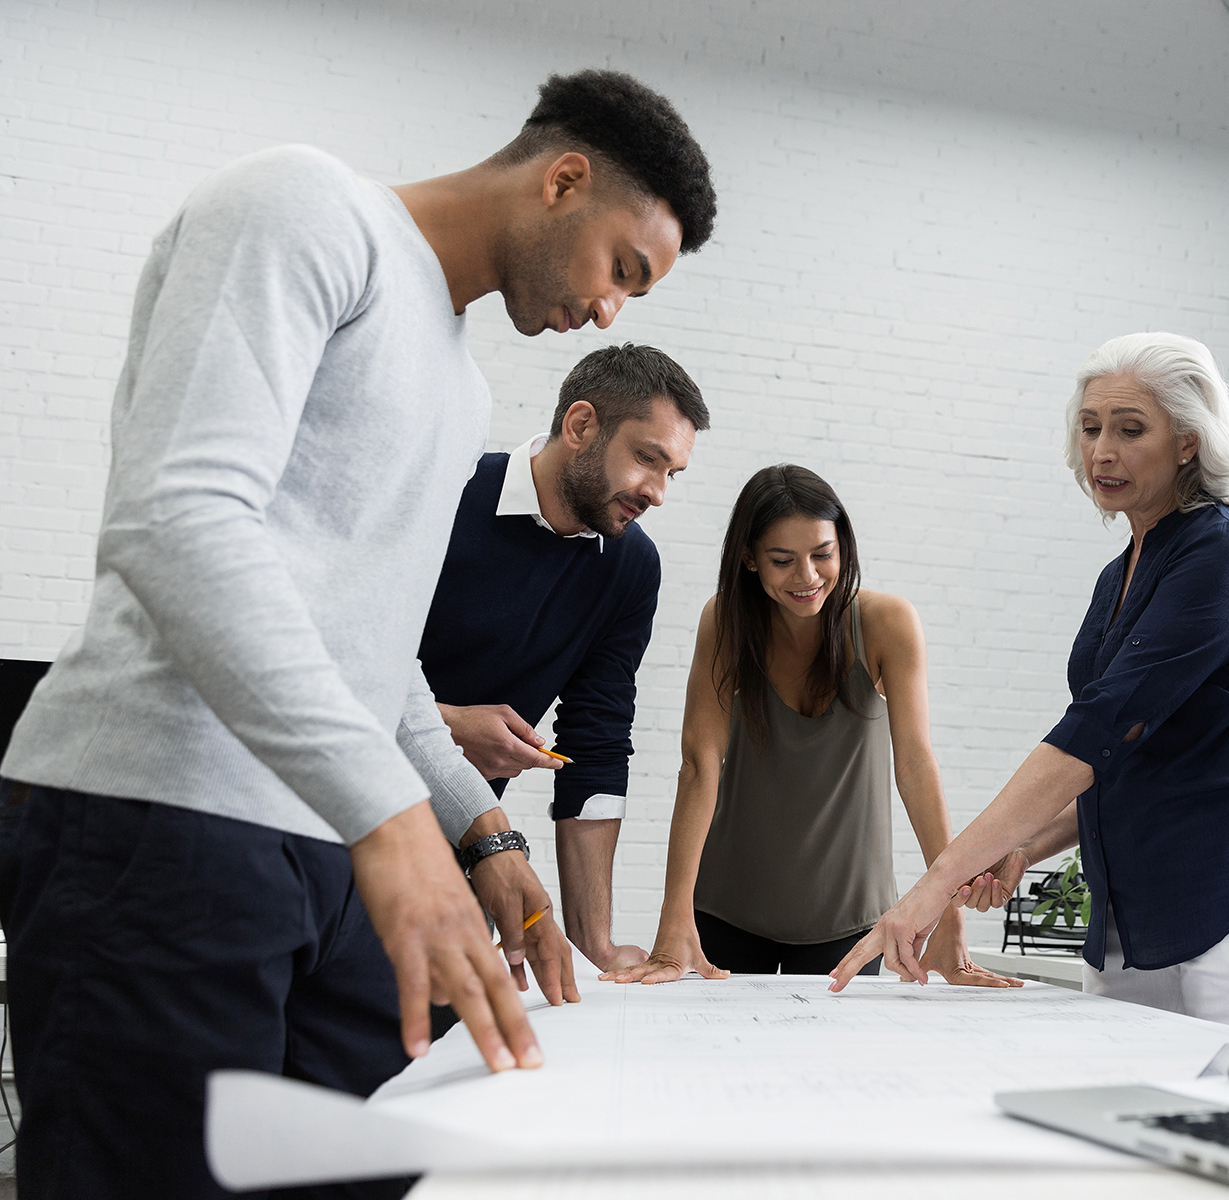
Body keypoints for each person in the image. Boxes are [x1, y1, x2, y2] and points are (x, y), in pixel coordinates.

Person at [0, 69, 715, 1199]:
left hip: (329, 854)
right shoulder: (305, 211)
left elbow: (378, 665)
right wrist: (396, 825)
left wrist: (482, 831)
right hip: (166, 820)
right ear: (562, 181)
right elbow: (178, 521)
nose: (610, 310)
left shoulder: (461, 387)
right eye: (621, 269)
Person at [829, 334, 1229, 1037]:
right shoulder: (1117, 575)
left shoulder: (1227, 549)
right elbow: (1114, 762)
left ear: (1188, 441)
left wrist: (935, 885)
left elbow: (1095, 730)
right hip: (1134, 914)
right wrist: (1024, 848)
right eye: (1090, 428)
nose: (1101, 451)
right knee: (1126, 1122)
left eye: (1130, 430)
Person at [606, 466, 1019, 986]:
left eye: (822, 553)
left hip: (850, 920)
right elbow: (698, 766)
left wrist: (950, 918)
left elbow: (915, 767)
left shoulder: (886, 622)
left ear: (843, 546)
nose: (807, 576)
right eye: (782, 560)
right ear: (749, 558)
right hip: (727, 910)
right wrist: (675, 916)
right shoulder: (727, 622)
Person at [421, 344, 708, 976]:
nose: (657, 494)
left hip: (465, 849)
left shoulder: (632, 567)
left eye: (672, 474)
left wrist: (596, 941)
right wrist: (447, 725)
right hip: (324, 817)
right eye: (647, 460)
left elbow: (596, 743)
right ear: (580, 427)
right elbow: (343, 655)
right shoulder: (446, 490)